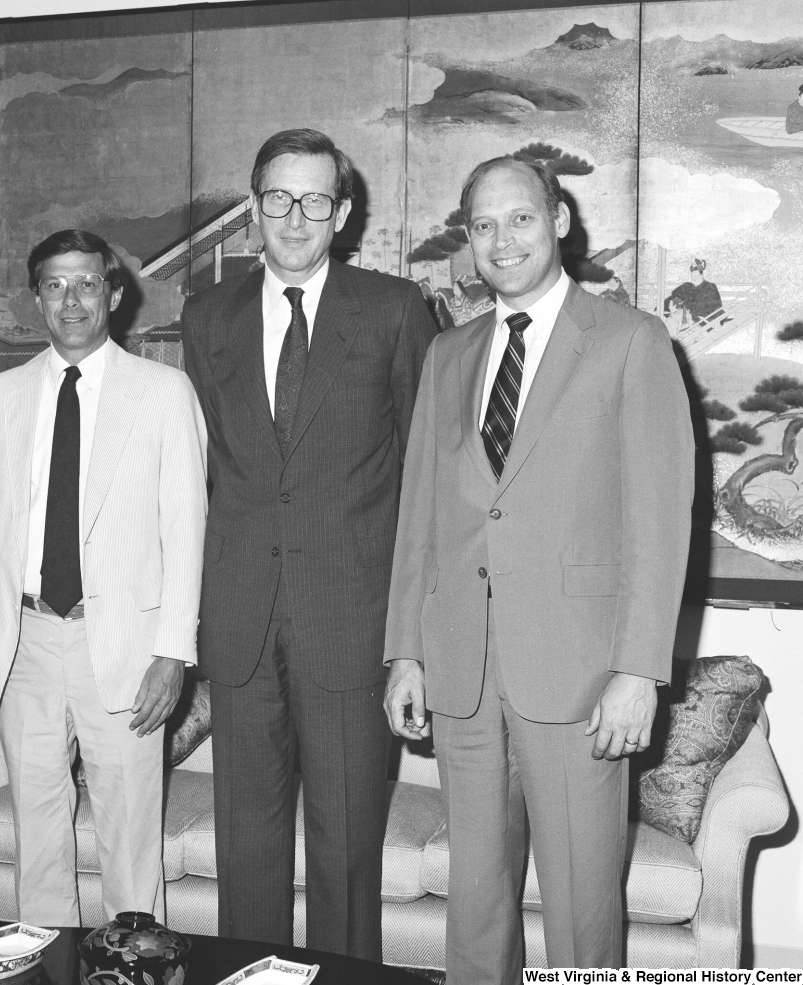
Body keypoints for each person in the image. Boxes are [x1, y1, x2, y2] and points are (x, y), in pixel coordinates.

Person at [383, 158, 694, 983]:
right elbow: (421, 517)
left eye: (520, 218)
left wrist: (639, 671)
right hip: (463, 674)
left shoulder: (630, 341)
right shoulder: (449, 354)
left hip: (581, 680)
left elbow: (661, 524)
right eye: (482, 225)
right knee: (474, 908)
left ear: (559, 220)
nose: (501, 239)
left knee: (582, 913)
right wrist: (405, 651)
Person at [181, 128, 436, 961]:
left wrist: (411, 639)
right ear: (253, 207)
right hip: (241, 622)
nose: (296, 217)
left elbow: (425, 478)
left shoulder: (396, 310)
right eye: (278, 199)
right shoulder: (206, 315)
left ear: (344, 211)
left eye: (316, 200)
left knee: (348, 851)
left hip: (352, 622)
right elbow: (206, 469)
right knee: (245, 850)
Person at [0, 229, 207, 927]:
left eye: (88, 283)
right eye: (56, 285)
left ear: (114, 293)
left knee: (128, 836)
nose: (72, 300)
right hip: (25, 642)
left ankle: (134, 968)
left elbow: (188, 532)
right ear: (37, 297)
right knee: (36, 832)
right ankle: (42, 962)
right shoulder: (2, 396)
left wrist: (172, 653)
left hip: (123, 644)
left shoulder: (163, 392)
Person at [664, 259, 723, 329]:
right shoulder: (687, 286)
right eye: (692, 275)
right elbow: (674, 297)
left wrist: (687, 311)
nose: (694, 277)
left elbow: (712, 305)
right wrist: (675, 304)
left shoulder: (710, 287)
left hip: (702, 319)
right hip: (682, 316)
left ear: (702, 275)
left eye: (696, 275)